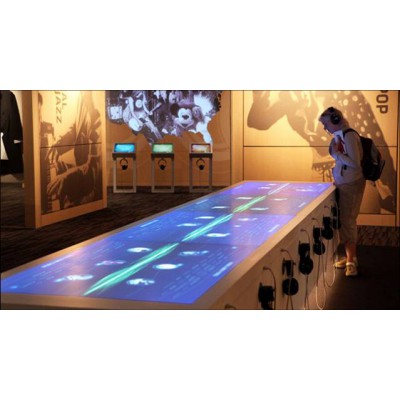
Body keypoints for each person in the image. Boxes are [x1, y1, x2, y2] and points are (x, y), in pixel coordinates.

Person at [319, 106, 366, 277]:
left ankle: (351, 262)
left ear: (335, 120)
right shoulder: (340, 136)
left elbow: (355, 163)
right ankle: (350, 257)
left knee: (348, 221)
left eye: (326, 124)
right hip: (344, 184)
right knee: (345, 221)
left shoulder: (349, 136)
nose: (325, 128)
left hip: (351, 185)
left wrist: (336, 154)